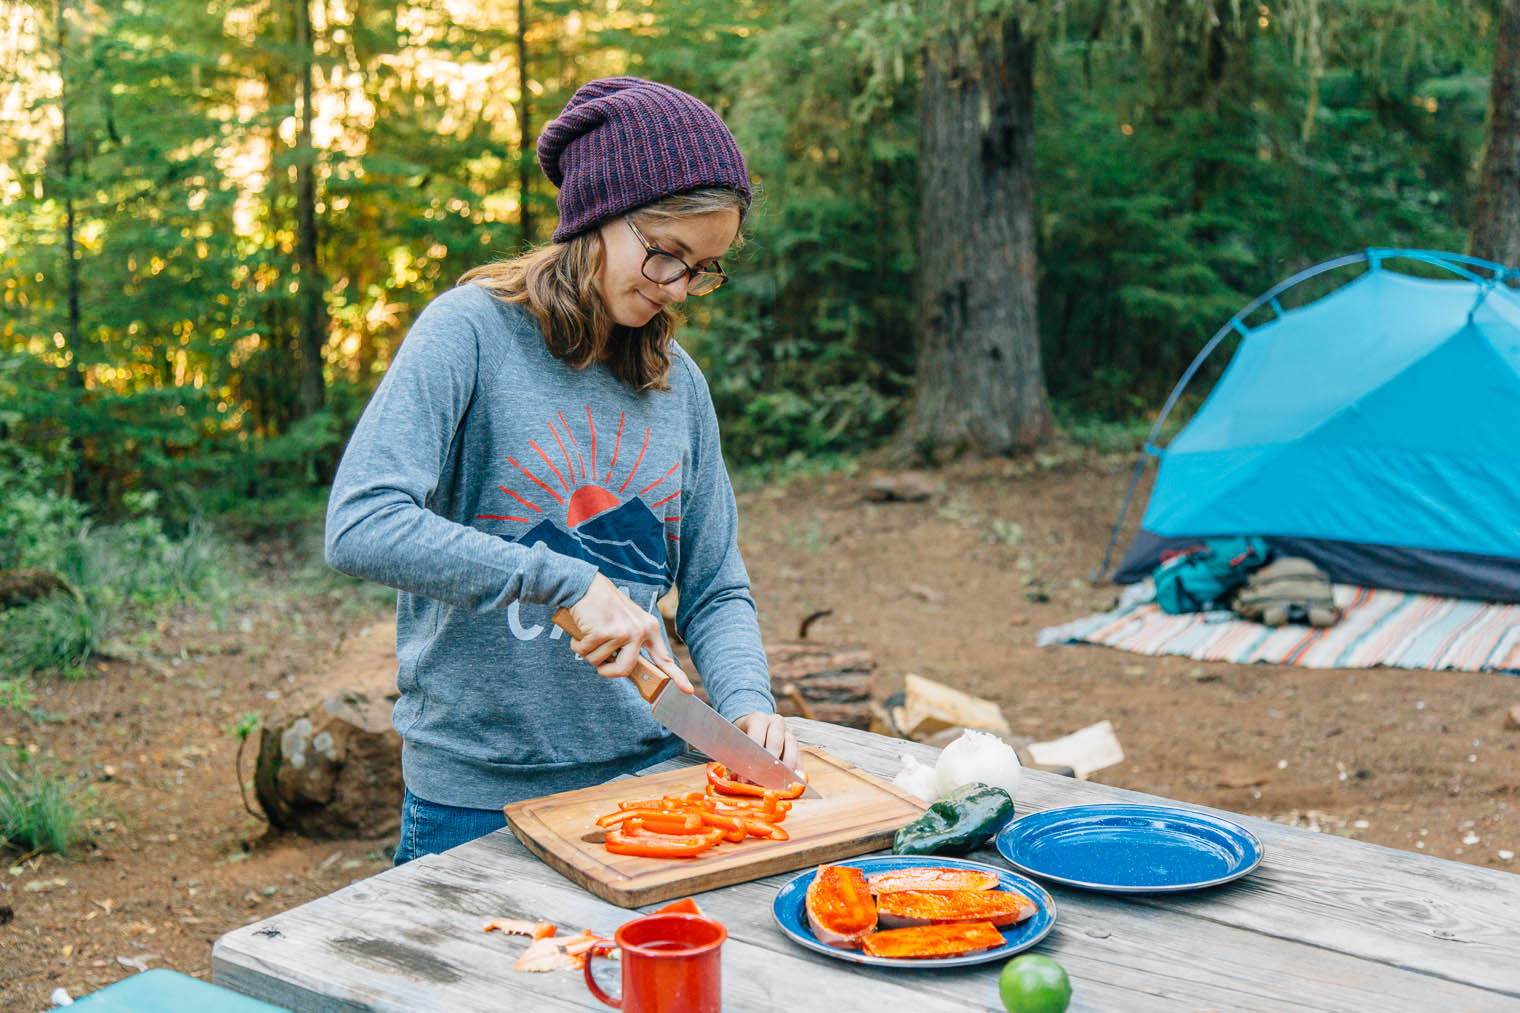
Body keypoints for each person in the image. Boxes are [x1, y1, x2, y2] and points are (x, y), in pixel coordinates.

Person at [324, 77, 800, 865]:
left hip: (652, 786)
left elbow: (715, 586)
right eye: (666, 254)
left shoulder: (679, 385)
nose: (678, 287)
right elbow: (361, 524)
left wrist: (746, 706)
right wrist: (566, 581)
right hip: (476, 804)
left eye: (704, 268)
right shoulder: (468, 332)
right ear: (598, 214)